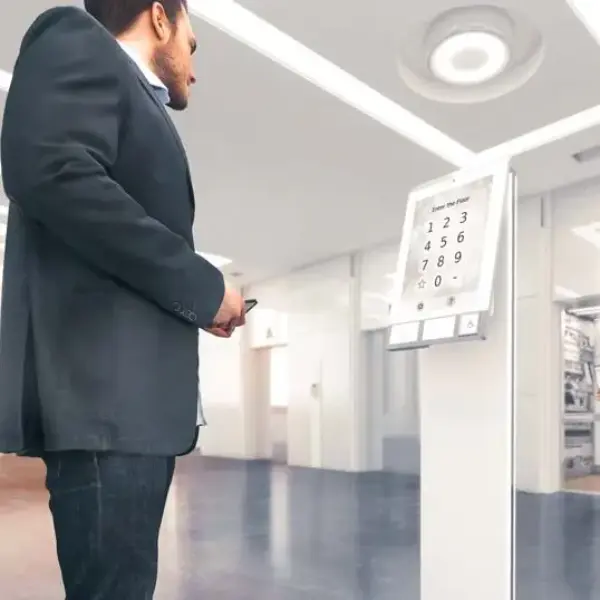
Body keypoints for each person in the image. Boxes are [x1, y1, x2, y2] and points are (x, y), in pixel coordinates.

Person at [0, 1, 245, 598]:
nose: (194, 67)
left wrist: (194, 303)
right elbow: (53, 170)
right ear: (160, 18)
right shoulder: (73, 37)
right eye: (192, 44)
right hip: (107, 414)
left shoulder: (130, 101)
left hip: (126, 419)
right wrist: (205, 288)